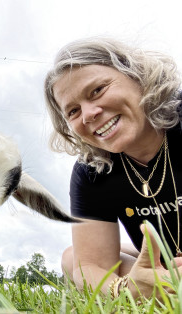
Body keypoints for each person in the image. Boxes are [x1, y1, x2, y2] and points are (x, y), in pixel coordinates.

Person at [44, 37, 182, 299]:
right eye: (73, 111)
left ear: (138, 76)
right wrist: (125, 288)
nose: (88, 115)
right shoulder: (92, 171)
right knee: (72, 258)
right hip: (163, 262)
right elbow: (89, 266)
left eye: (97, 90)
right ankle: (157, 286)